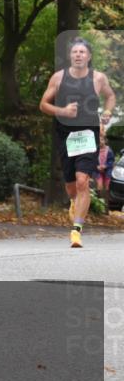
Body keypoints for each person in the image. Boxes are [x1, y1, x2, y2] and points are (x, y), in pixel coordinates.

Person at [39, 37, 116, 247]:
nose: (78, 55)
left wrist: (107, 112)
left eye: (82, 52)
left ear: (89, 56)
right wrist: (62, 111)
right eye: (75, 52)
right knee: (72, 186)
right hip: (66, 135)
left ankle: (76, 230)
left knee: (83, 181)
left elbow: (110, 96)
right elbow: (43, 104)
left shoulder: (98, 78)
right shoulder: (58, 78)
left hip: (88, 134)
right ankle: (74, 202)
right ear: (70, 56)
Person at [97, 130, 115, 201]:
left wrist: (106, 166)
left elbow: (111, 160)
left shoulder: (109, 150)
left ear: (105, 140)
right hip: (98, 170)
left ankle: (107, 200)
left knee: (107, 184)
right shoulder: (95, 150)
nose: (100, 142)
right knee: (99, 185)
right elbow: (93, 160)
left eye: (101, 140)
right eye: (98, 140)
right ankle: (99, 199)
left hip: (107, 170)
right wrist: (96, 166)